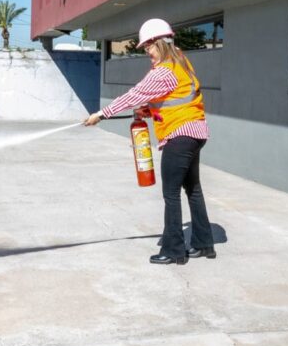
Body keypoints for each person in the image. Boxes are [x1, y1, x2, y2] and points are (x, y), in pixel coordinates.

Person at [84, 18, 216, 265]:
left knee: (171, 194)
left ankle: (174, 250)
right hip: (195, 131)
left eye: (149, 47)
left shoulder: (164, 71)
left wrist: (101, 114)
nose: (147, 52)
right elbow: (175, 100)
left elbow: (134, 94)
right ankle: (204, 243)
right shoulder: (181, 62)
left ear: (161, 43)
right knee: (193, 190)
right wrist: (150, 110)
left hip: (180, 134)